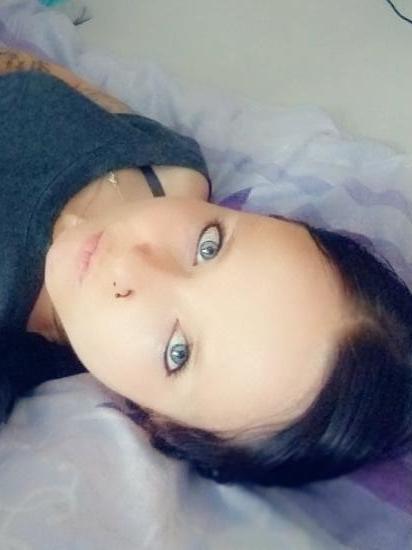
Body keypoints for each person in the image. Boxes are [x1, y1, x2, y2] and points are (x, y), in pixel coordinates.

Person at [0, 48, 411, 488]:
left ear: (156, 424)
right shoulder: (169, 167)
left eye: (178, 352)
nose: (136, 263)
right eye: (209, 247)